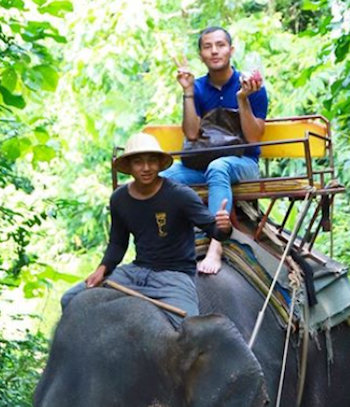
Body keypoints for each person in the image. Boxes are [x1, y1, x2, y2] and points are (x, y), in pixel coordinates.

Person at [61, 132, 232, 327]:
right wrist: (102, 269)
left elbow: (215, 230)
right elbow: (118, 243)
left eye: (152, 161)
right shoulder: (119, 199)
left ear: (159, 164)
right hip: (136, 272)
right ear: (129, 167)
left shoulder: (180, 195)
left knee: (189, 328)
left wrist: (223, 227)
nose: (146, 168)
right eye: (138, 162)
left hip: (175, 276)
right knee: (70, 299)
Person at [162, 25, 268, 274]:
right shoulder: (197, 88)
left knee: (219, 166)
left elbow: (253, 139)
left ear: (230, 50)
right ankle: (161, 244)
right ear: (201, 55)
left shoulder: (252, 87)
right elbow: (190, 133)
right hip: (202, 166)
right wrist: (187, 91)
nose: (214, 51)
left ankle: (216, 244)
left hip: (242, 165)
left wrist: (243, 99)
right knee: (161, 179)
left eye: (220, 45)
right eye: (207, 47)